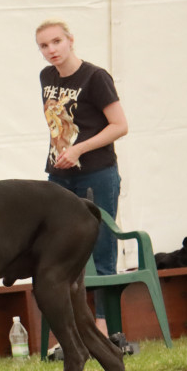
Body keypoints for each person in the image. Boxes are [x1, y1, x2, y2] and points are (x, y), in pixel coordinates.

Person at [36, 19, 129, 336]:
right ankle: (70, 328)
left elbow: (119, 125)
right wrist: (62, 154)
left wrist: (79, 150)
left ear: (70, 40)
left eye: (56, 42)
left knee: (101, 248)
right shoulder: (46, 76)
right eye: (44, 46)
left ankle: (105, 327)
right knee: (58, 250)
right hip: (59, 176)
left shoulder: (95, 76)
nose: (51, 50)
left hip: (97, 173)